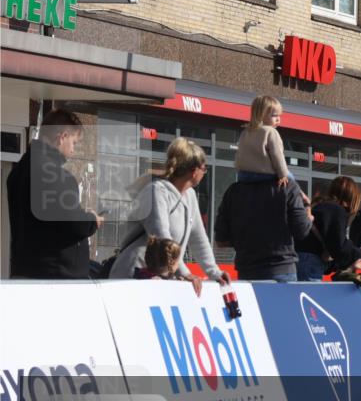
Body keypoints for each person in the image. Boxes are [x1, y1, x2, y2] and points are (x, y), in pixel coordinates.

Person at [110, 138, 227, 294]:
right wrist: (185, 273)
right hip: (134, 275)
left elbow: (198, 238)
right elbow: (162, 238)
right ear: (194, 171)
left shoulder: (190, 195)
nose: (205, 172)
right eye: (204, 168)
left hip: (159, 279)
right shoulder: (156, 192)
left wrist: (215, 272)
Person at [6, 109, 104, 279]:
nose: (73, 150)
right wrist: (92, 220)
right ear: (62, 137)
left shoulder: (18, 171)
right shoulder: (56, 175)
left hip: (24, 271)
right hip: (54, 278)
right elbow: (74, 223)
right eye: (74, 142)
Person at [215, 165, 312, 281]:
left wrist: (246, 241)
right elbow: (302, 231)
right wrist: (308, 208)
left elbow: (221, 240)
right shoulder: (288, 186)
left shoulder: (233, 191)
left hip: (247, 271)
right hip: (281, 270)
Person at [296, 178, 361, 281]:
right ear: (352, 197)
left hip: (301, 260)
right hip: (310, 264)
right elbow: (340, 247)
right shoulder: (336, 210)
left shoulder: (321, 207)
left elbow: (335, 247)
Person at [234, 95, 292, 187]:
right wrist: (283, 175)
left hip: (244, 175)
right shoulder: (271, 132)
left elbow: (240, 154)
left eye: (279, 115)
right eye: (274, 115)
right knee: (291, 177)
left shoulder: (245, 132)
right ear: (262, 115)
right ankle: (305, 199)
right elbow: (277, 156)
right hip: (265, 175)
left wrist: (238, 168)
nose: (278, 119)